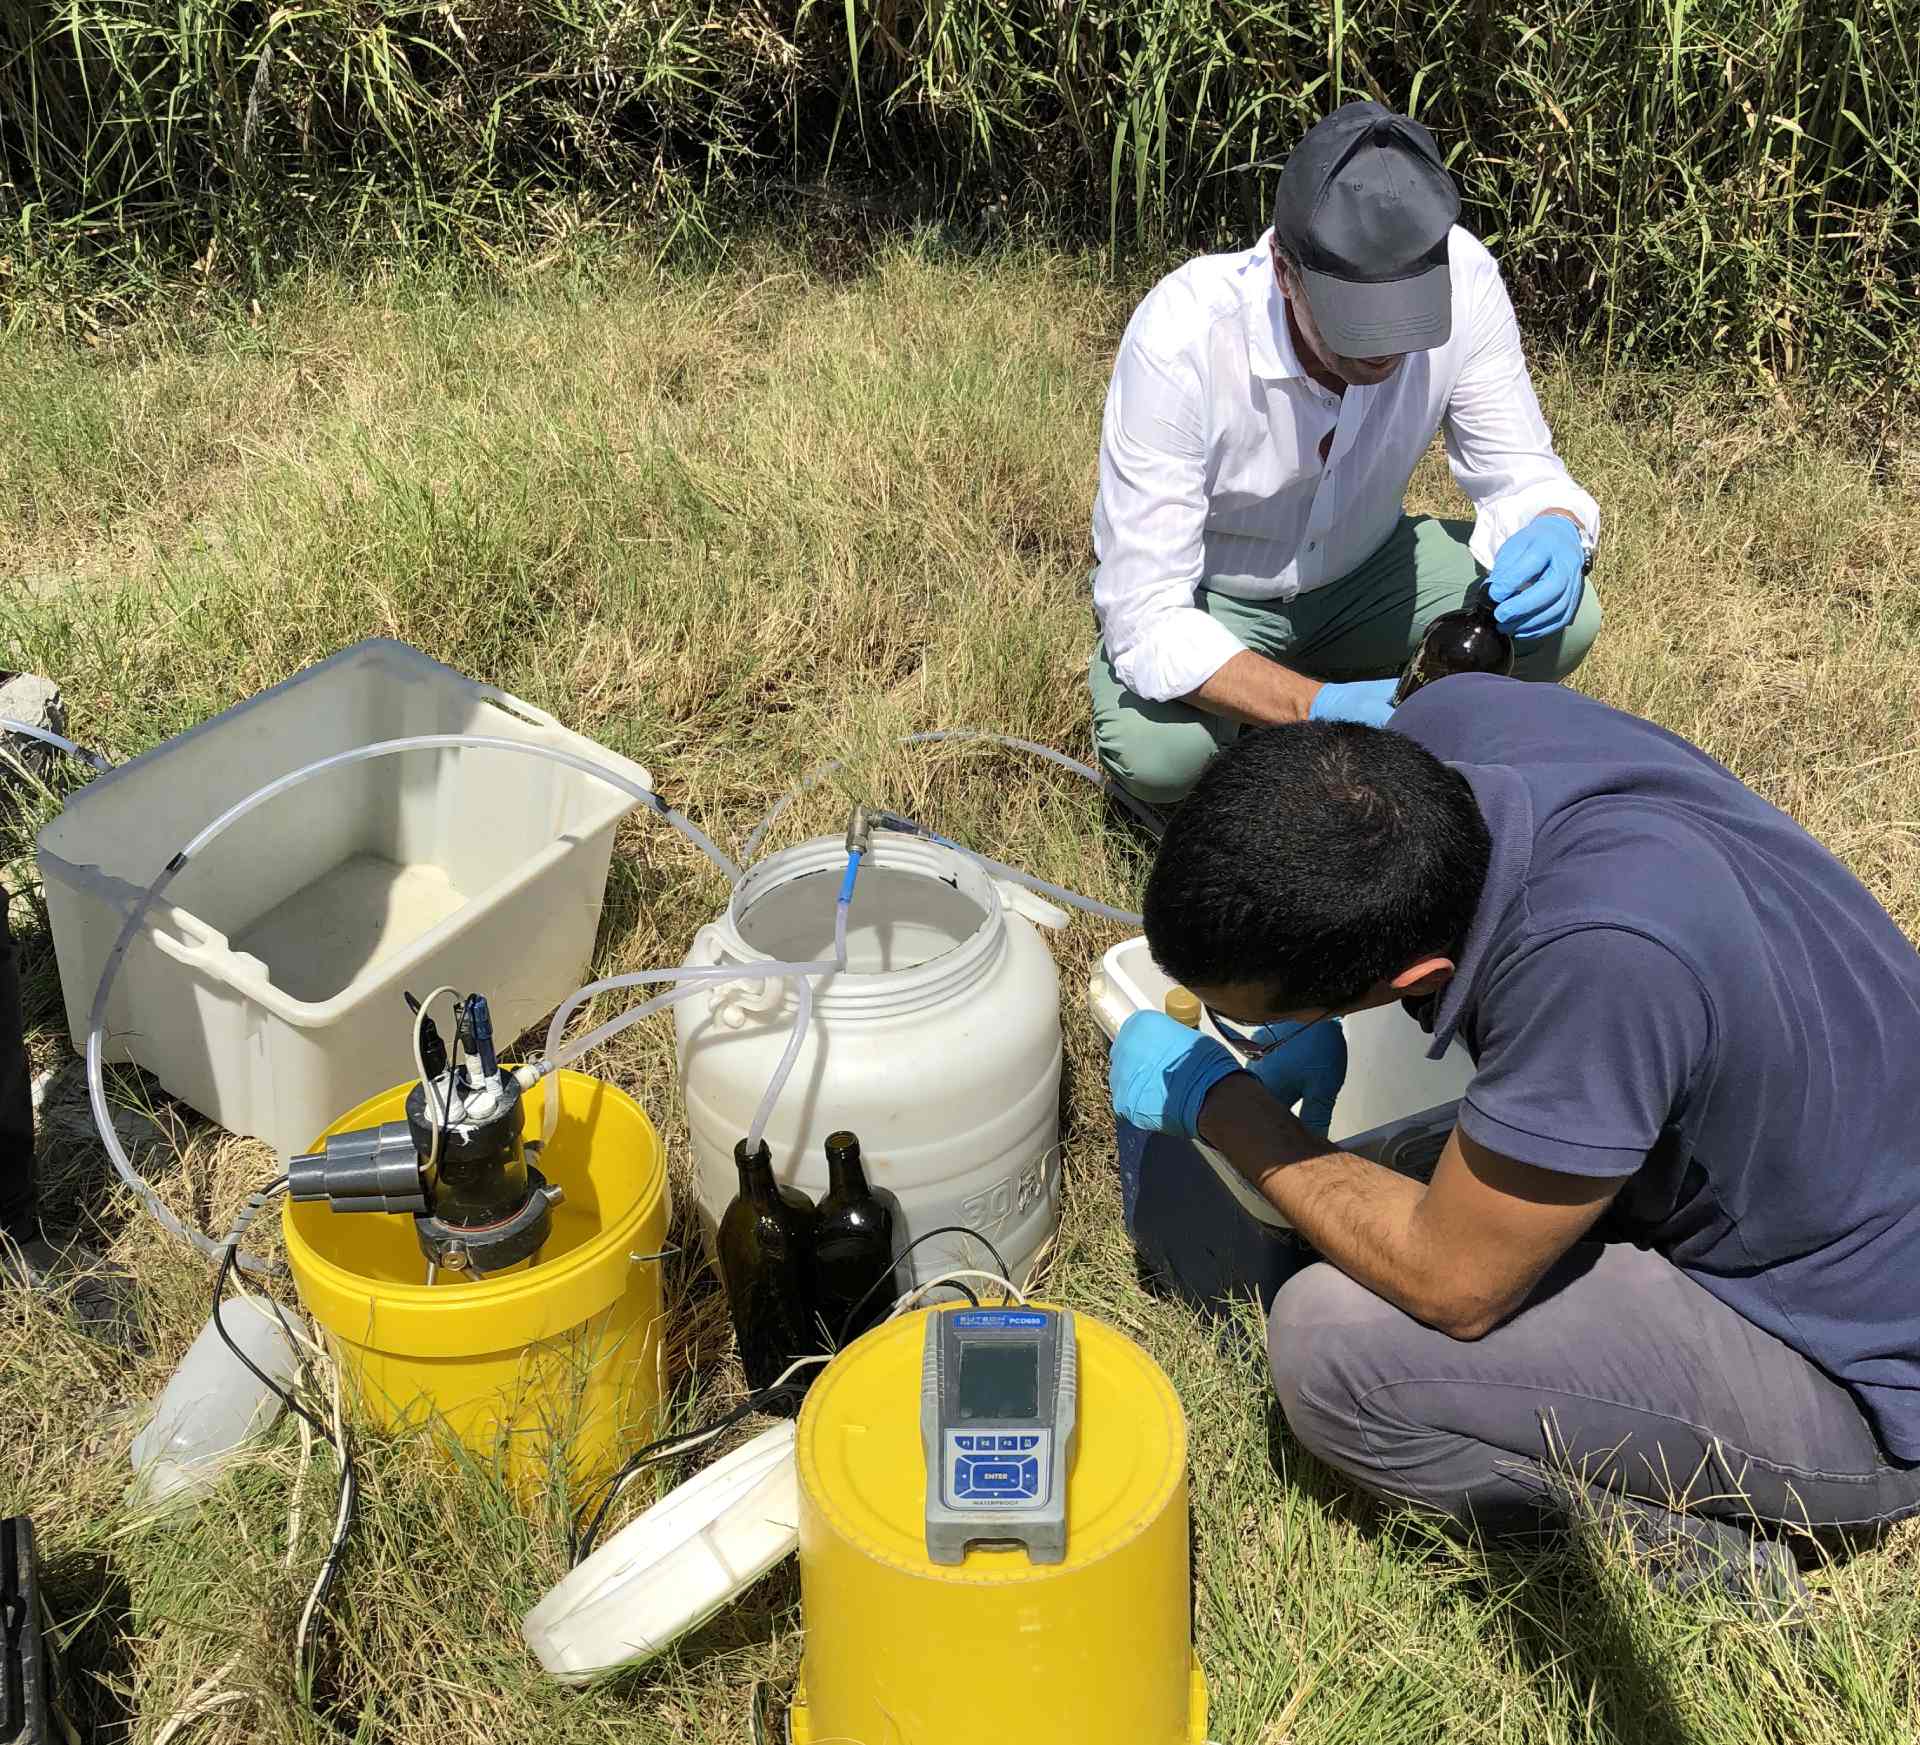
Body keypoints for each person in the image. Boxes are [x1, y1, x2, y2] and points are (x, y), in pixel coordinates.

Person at [1107, 676, 1920, 1596]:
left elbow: (1452, 1283)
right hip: (1839, 1162)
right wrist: (1306, 1018)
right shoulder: (1449, 731)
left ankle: (1706, 1568)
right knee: (1388, 1179)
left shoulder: (1596, 962)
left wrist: (1223, 1104)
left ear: (1412, 975)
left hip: (1857, 1366)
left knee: (1329, 1346)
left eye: (1260, 1016)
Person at [1089, 100, 1601, 806]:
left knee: (1567, 623)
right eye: (1354, 324)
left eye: (1407, 318)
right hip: (1219, 590)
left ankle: (1345, 715)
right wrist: (1319, 707)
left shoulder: (1469, 279)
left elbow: (1521, 473)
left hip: (1365, 568)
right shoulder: (1184, 337)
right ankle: (1291, 713)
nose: (1384, 349)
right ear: (1284, 269)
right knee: (1160, 757)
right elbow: (1146, 614)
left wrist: (1555, 525)